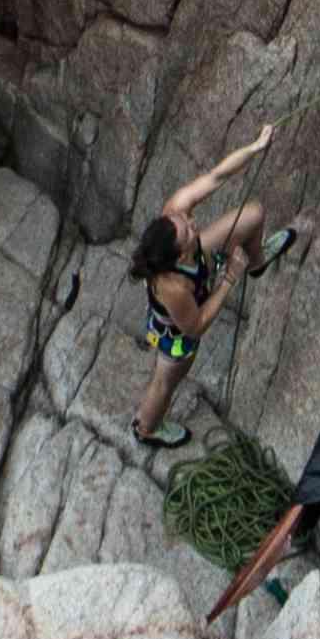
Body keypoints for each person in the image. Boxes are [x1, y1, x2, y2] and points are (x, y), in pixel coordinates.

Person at [126, 129, 303, 442]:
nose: (192, 222)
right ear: (180, 252)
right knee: (166, 380)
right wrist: (230, 278)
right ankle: (146, 428)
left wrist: (254, 147)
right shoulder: (173, 287)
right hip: (176, 331)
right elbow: (195, 326)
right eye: (188, 230)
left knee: (253, 214)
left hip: (199, 265)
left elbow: (217, 176)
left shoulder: (175, 212)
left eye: (185, 221)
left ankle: (258, 263)